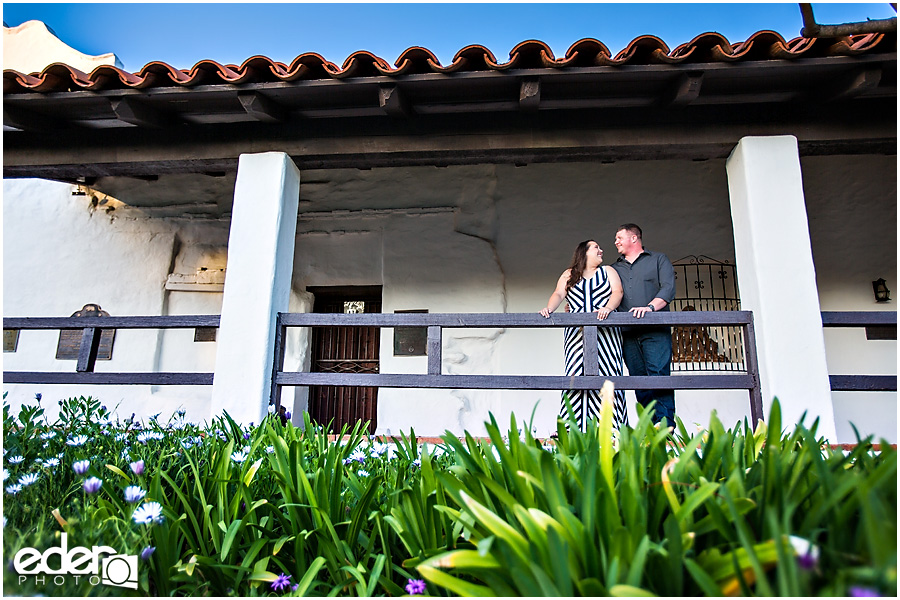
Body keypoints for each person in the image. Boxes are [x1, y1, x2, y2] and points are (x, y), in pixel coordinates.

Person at [540, 240, 628, 430]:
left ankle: (612, 429)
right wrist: (549, 308)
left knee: (608, 374)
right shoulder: (569, 274)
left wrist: (608, 307)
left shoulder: (608, 272)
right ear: (584, 252)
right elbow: (558, 294)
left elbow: (617, 292)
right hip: (576, 335)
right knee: (575, 375)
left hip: (606, 334)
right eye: (596, 247)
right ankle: (572, 427)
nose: (601, 250)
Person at [610, 224, 677, 426]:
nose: (616, 242)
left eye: (619, 237)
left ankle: (665, 427)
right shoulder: (614, 268)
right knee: (638, 380)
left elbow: (668, 289)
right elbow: (605, 293)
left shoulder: (658, 259)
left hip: (655, 330)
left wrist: (650, 308)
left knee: (658, 375)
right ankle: (649, 428)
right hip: (628, 333)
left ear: (633, 238)